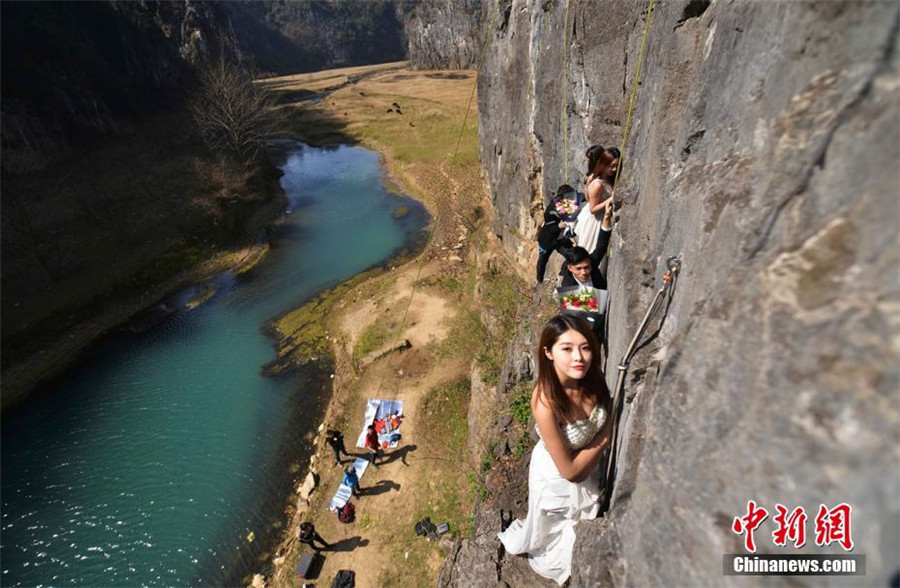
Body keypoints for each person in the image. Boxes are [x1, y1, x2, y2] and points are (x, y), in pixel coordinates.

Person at [498, 315, 611, 585]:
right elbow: (570, 472)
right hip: (556, 474)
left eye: (585, 347)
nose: (579, 357)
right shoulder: (545, 399)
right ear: (548, 353)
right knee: (553, 533)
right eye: (567, 348)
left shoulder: (591, 377)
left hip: (588, 461)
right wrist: (607, 435)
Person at [573, 145, 615, 254]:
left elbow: (588, 199)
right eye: (610, 166)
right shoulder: (596, 182)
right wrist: (611, 198)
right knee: (591, 251)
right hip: (595, 219)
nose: (614, 169)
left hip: (595, 215)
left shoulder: (597, 177)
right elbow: (592, 207)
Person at [536, 184, 580, 283]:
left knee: (572, 255)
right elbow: (549, 227)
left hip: (560, 239)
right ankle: (539, 280)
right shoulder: (552, 209)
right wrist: (559, 226)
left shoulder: (568, 204)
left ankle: (563, 273)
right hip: (547, 240)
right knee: (543, 260)